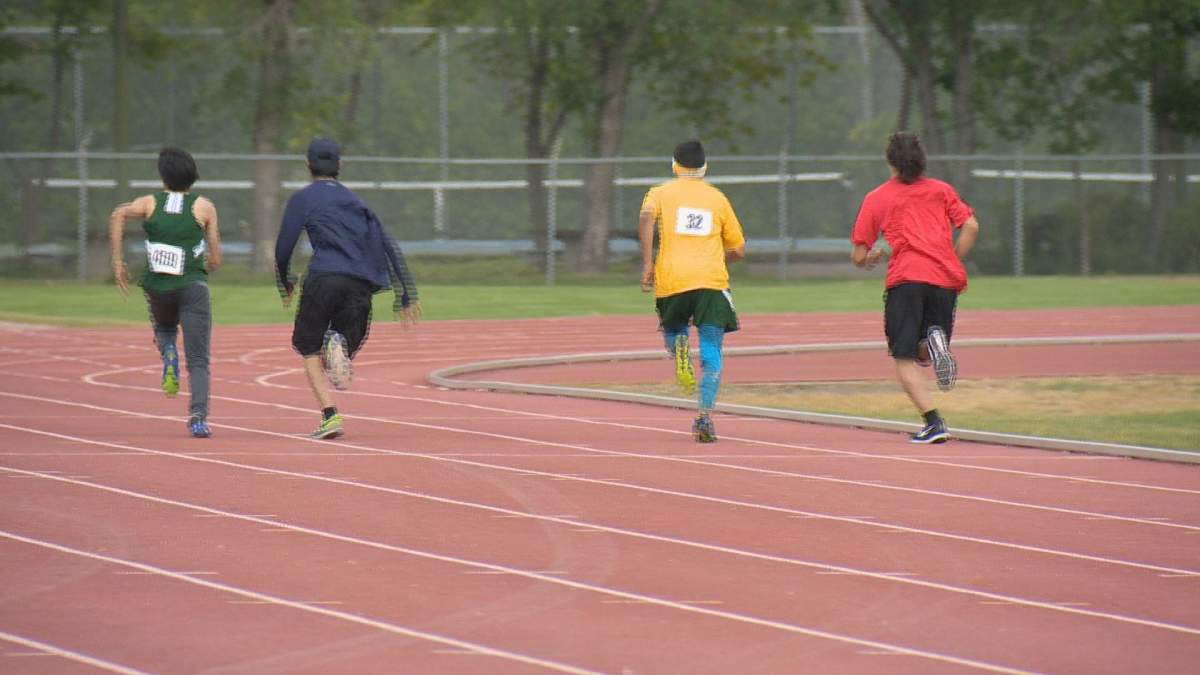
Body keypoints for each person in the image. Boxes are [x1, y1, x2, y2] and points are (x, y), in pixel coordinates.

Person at [275, 137, 421, 440]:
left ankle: (330, 415)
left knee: (308, 346)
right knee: (344, 343)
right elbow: (387, 244)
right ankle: (338, 340)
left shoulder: (302, 199)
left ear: (307, 164)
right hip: (360, 283)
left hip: (324, 277)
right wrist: (406, 293)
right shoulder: (358, 202)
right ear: (340, 166)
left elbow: (284, 246)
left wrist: (284, 279)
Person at [850, 131, 980, 444]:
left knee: (904, 356)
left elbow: (858, 256)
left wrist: (871, 258)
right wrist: (951, 257)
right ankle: (934, 341)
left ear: (889, 162)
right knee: (925, 345)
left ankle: (933, 423)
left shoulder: (877, 197)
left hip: (907, 279)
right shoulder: (942, 190)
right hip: (944, 279)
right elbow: (971, 226)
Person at [109, 147, 222, 438]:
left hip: (157, 287)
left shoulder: (149, 203)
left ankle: (168, 351)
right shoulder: (204, 207)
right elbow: (216, 259)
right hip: (193, 287)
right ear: (192, 176)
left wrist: (118, 262)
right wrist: (203, 267)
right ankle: (198, 418)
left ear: (163, 177)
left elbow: (118, 214)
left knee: (164, 327)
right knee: (198, 360)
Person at [638, 140, 746, 443]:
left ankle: (679, 347)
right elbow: (738, 249)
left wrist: (647, 263)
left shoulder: (659, 193)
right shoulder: (717, 198)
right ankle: (704, 417)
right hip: (711, 282)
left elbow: (646, 217)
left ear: (674, 165)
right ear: (704, 167)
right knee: (712, 351)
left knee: (673, 332)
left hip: (672, 278)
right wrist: (715, 256)